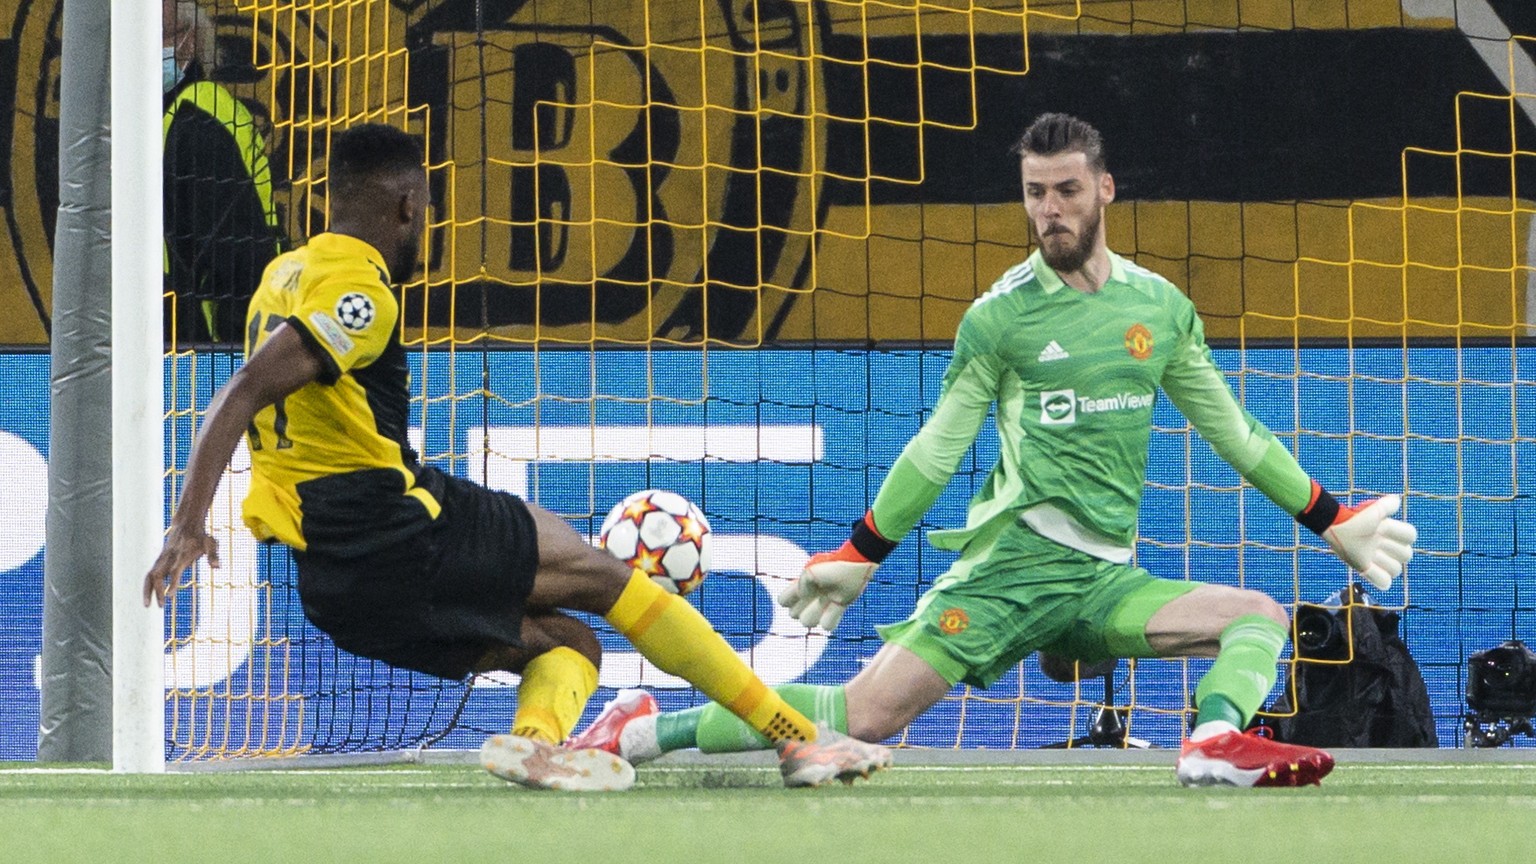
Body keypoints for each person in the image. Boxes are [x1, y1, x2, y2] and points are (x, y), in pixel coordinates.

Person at [568, 113, 1419, 788]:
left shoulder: (1159, 310)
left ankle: (1211, 740)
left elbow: (1234, 432)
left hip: (1105, 577)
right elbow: (939, 448)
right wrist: (861, 553)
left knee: (1258, 618)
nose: (1050, 209)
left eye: (1067, 191)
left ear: (1104, 190)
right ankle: (644, 724)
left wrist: (1331, 516)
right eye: (1035, 193)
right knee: (862, 718)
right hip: (1015, 568)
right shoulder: (1000, 318)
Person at [141, 122, 892, 791]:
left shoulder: (281, 275)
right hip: (392, 533)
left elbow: (246, 386)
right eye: (425, 211)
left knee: (569, 642)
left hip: (335, 588)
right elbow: (243, 388)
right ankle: (799, 742)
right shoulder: (358, 290)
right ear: (407, 206)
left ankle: (533, 745)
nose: (423, 225)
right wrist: (187, 521)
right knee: (607, 578)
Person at [163, 0, 282, 344]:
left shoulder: (201, 122)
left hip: (195, 358)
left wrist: (236, 372)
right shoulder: (154, 116)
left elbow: (239, 259)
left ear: (187, 41)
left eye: (150, 36)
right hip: (161, 345)